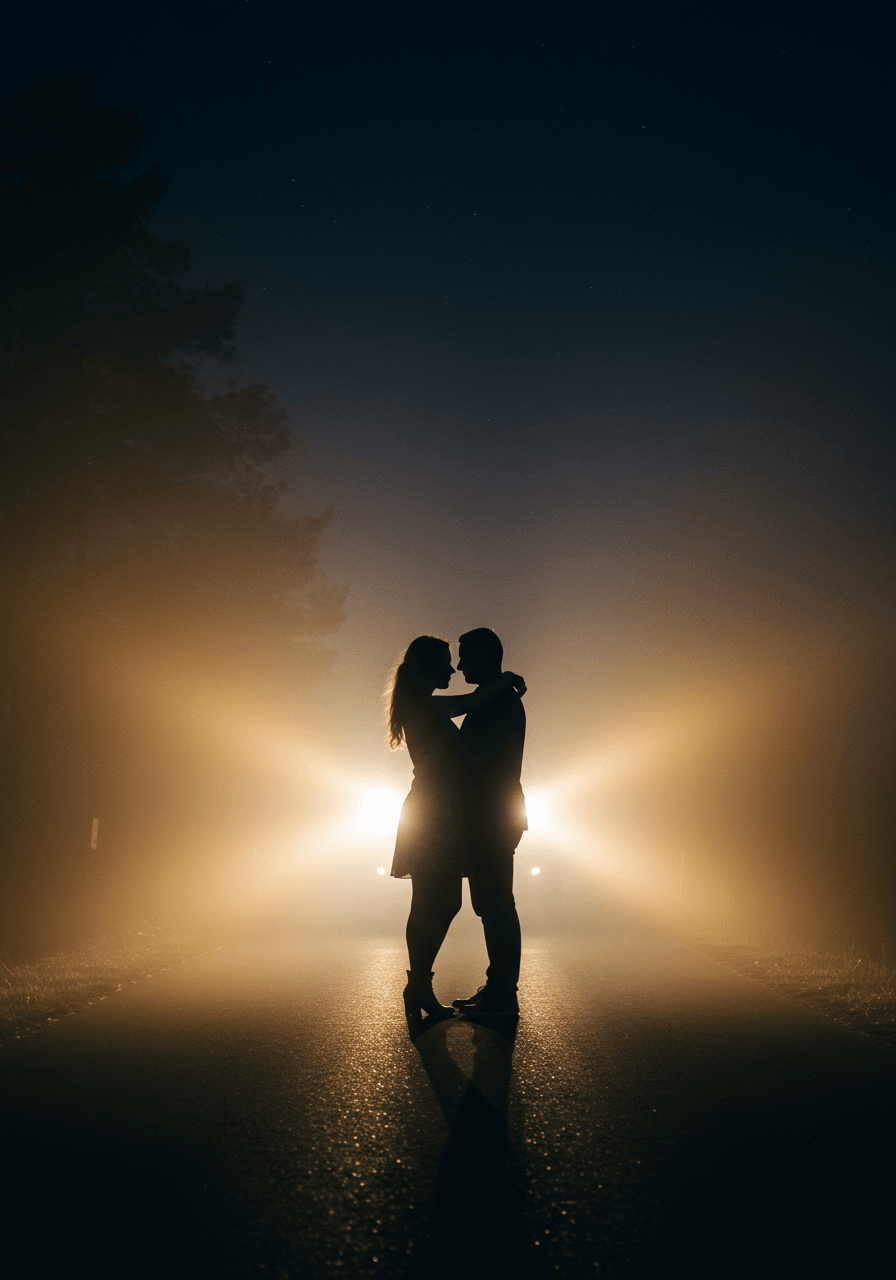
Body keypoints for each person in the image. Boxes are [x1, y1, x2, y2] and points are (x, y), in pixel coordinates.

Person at [385, 635, 526, 1023]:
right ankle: (419, 984)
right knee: (435, 901)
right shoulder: (423, 706)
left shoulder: (426, 704)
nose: (454, 669)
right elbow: (471, 703)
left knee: (445, 902)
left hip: (443, 814)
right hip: (432, 814)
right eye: (447, 662)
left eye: (458, 659)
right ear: (427, 668)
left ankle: (423, 985)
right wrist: (505, 677)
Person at [451, 628, 527, 1016]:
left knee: (495, 904)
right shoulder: (497, 696)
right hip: (496, 813)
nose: (459, 664)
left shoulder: (496, 701)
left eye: (465, 656)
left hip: (491, 815)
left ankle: (502, 995)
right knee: (493, 903)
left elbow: (479, 762)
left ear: (484, 656)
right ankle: (499, 988)